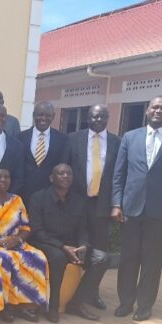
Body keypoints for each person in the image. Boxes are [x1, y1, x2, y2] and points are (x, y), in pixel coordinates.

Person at [112, 95, 162, 321]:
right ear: (147, 110)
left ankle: (145, 305)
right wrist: (117, 203)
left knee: (152, 260)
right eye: (155, 107)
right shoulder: (129, 137)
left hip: (161, 212)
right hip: (130, 209)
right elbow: (119, 174)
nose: (159, 111)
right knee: (128, 258)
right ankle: (125, 302)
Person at [29, 164, 108, 323]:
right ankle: (53, 306)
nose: (65, 176)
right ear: (52, 178)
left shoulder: (79, 200)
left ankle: (76, 303)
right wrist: (62, 246)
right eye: (61, 173)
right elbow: (37, 231)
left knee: (102, 258)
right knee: (58, 257)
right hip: (47, 244)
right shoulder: (39, 198)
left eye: (69, 174)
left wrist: (84, 245)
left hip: (73, 246)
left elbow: (83, 229)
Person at [0, 166, 49, 322]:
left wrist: (18, 239)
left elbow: (26, 227)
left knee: (37, 256)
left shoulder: (17, 200)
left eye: (6, 177)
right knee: (6, 259)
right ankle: (6, 305)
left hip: (14, 241)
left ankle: (26, 305)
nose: (3, 180)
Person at [66, 104, 120, 310]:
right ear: (88, 118)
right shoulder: (73, 139)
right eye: (94, 117)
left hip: (102, 205)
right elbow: (65, 169)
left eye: (102, 117)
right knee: (78, 247)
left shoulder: (116, 142)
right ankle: (71, 290)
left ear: (108, 118)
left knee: (99, 250)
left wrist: (117, 204)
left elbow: (118, 175)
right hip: (77, 202)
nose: (98, 120)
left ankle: (91, 292)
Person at [18, 101, 69, 203]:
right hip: (23, 195)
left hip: (51, 197)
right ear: (33, 115)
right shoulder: (20, 138)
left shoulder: (62, 139)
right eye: (40, 115)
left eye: (48, 115)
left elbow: (63, 165)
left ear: (53, 116)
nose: (43, 118)